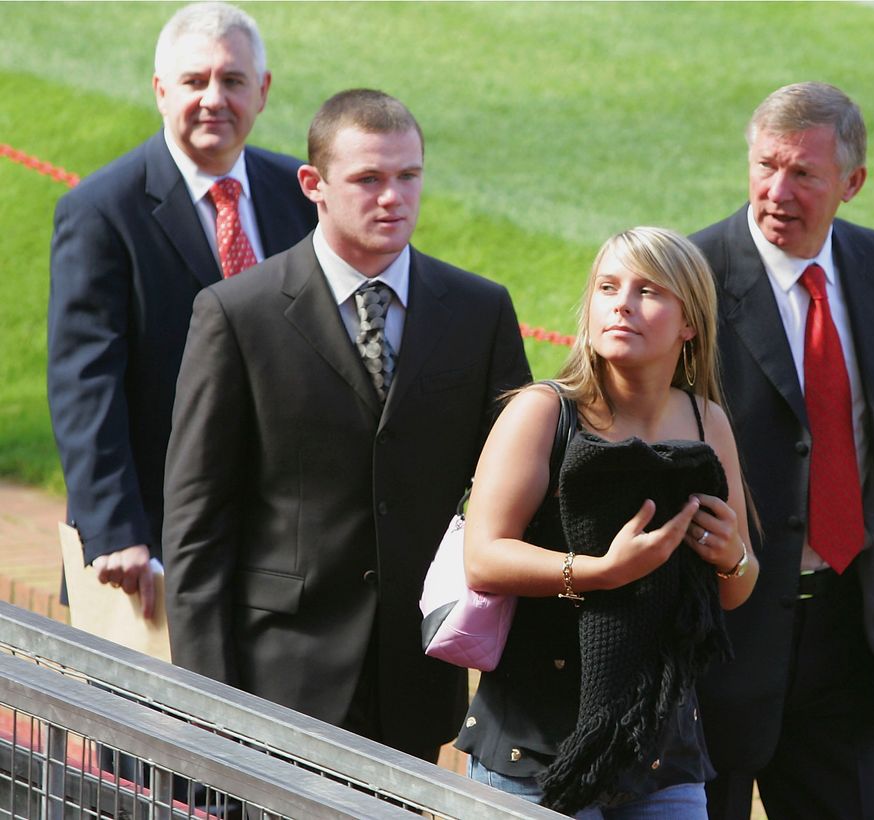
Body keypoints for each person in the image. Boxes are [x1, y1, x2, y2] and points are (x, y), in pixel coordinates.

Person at [162, 88, 532, 762]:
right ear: (314, 184)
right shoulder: (237, 316)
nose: (392, 197)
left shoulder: (479, 312)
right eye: (368, 179)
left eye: (408, 177)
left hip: (417, 677)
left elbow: (523, 486)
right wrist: (206, 697)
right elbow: (197, 525)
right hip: (278, 676)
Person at [455, 227, 759, 818]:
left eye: (649, 291)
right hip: (533, 748)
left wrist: (732, 558)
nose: (622, 303)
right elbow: (483, 557)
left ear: (689, 323)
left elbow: (739, 588)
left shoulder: (707, 424)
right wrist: (601, 572)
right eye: (607, 287)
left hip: (661, 748)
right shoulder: (542, 413)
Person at [47, 1, 316, 619]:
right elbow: (85, 383)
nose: (214, 99)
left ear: (264, 91)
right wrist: (112, 527)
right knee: (141, 715)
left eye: (233, 80)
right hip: (153, 539)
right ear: (162, 90)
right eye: (195, 81)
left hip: (282, 538)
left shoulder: (301, 196)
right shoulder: (101, 211)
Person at [689, 82, 874, 819]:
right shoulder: (694, 275)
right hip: (723, 627)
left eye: (804, 174)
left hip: (844, 624)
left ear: (852, 183)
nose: (777, 191)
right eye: (765, 166)